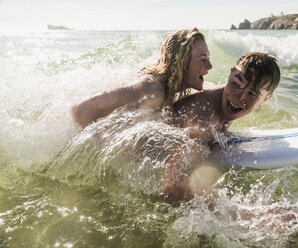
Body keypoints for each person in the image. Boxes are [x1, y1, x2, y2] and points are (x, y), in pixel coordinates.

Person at [161, 52, 281, 203]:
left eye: (251, 94)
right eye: (235, 84)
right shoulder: (202, 121)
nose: (239, 98)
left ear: (266, 99)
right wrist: (247, 213)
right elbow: (170, 188)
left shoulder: (222, 102)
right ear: (230, 74)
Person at [71, 28, 212, 127]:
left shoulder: (165, 84)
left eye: (208, 58)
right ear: (181, 62)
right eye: (202, 59)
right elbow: (82, 109)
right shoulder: (152, 91)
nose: (210, 66)